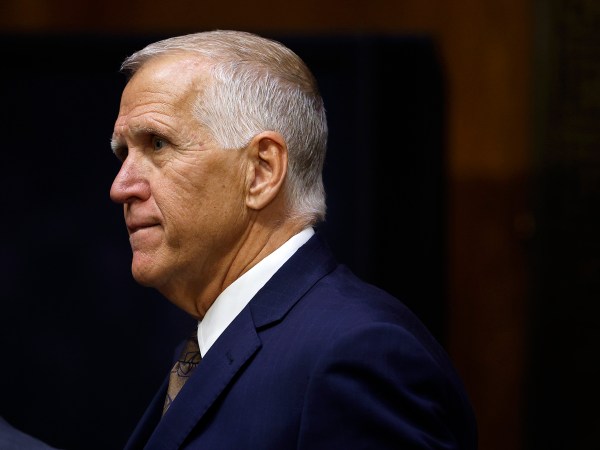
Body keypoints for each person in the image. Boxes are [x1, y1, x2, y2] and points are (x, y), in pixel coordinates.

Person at [109, 29, 477, 450]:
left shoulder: (358, 353)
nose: (121, 187)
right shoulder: (204, 351)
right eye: (123, 154)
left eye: (158, 144)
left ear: (261, 171)